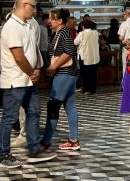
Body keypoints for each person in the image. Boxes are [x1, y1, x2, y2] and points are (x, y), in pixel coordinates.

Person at [0, 0, 56, 168]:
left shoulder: (28, 25)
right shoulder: (12, 27)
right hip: (16, 80)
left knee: (34, 111)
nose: (35, 10)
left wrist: (37, 68)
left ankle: (33, 148)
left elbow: (32, 51)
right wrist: (32, 72)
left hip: (28, 80)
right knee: (9, 117)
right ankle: (3, 154)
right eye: (33, 7)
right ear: (24, 5)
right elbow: (19, 57)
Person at [42, 8, 81, 151]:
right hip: (68, 73)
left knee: (53, 106)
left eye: (52, 19)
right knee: (70, 106)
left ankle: (45, 141)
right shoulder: (59, 33)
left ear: (60, 21)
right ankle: (73, 140)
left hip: (64, 74)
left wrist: (53, 67)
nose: (49, 21)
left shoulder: (63, 32)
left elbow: (69, 52)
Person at [75, 18, 100, 94]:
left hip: (84, 56)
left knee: (85, 74)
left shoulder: (82, 33)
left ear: (83, 26)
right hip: (94, 56)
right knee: (93, 73)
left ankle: (86, 89)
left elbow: (75, 42)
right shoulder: (95, 32)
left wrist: (77, 36)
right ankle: (93, 89)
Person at [118, 9, 130, 76]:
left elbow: (121, 37)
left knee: (125, 65)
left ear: (127, 14)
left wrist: (121, 39)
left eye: (123, 14)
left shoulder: (124, 23)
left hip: (127, 47)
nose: (123, 16)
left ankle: (125, 83)